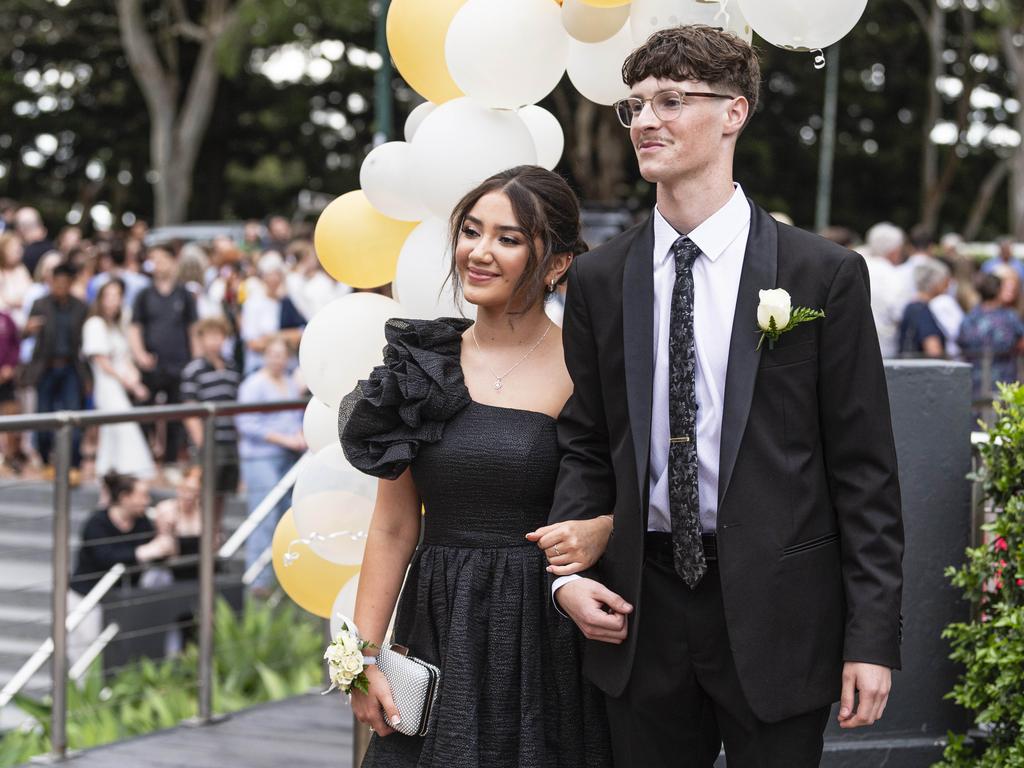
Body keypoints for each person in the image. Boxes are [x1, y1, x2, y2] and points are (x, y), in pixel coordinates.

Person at [549, 26, 904, 767]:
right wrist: (569, 582)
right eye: (637, 105)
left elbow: (863, 470)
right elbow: (585, 442)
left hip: (782, 618)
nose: (646, 120)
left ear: (733, 113)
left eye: (671, 101)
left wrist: (871, 638)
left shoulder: (823, 274)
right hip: (637, 613)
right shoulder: (598, 279)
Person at [342, 166, 610, 768]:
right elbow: (393, 526)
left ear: (557, 263)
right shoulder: (423, 365)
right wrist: (361, 656)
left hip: (548, 630)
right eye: (470, 231)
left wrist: (606, 527)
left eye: (508, 238)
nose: (479, 252)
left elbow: (631, 492)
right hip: (438, 623)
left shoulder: (588, 369)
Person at [68, 471, 176, 662]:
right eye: (142, 495)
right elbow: (107, 558)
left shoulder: (142, 523)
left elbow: (160, 554)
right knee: (87, 656)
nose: (147, 500)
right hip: (88, 598)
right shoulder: (97, 523)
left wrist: (165, 530)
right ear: (124, 497)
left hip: (120, 599)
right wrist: (143, 552)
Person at [235, 335, 305, 593]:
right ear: (265, 356)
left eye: (282, 354)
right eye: (273, 354)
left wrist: (298, 435)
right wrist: (284, 439)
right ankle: (259, 582)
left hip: (288, 457)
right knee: (263, 517)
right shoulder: (253, 385)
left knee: (288, 516)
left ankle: (284, 578)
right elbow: (246, 423)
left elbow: (295, 417)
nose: (278, 359)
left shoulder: (288, 382)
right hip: (261, 457)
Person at [129, 246, 198, 466]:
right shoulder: (144, 295)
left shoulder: (184, 294)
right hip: (152, 363)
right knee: (144, 408)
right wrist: (140, 354)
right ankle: (145, 453)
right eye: (154, 261)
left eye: (162, 260)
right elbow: (135, 326)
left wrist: (195, 359)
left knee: (176, 413)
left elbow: (193, 329)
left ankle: (170, 457)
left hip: (179, 362)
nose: (158, 265)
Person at [82, 278, 156, 479]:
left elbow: (124, 358)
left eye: (118, 296)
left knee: (114, 431)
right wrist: (128, 383)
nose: (114, 301)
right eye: (109, 296)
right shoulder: (95, 324)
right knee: (121, 427)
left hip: (119, 384)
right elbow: (103, 362)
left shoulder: (116, 326)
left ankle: (110, 471)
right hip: (107, 386)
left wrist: (134, 378)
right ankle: (124, 472)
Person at [24, 263, 91, 470]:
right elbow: (24, 334)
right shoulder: (40, 304)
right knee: (43, 417)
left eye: (64, 283)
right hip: (46, 368)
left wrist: (87, 377)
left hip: (70, 367)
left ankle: (73, 463)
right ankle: (46, 459)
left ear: (70, 284)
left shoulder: (81, 307)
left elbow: (84, 343)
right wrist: (28, 329)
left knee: (73, 417)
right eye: (56, 283)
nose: (59, 287)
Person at [180, 317, 242, 532]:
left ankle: (214, 539)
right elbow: (189, 410)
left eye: (219, 336)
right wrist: (202, 443)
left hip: (229, 440)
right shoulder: (194, 369)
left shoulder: (232, 367)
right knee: (203, 494)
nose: (214, 341)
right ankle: (203, 541)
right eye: (210, 336)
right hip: (208, 442)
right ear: (202, 338)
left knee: (222, 495)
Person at [958, 272, 1024, 402]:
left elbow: (960, 343)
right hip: (1004, 382)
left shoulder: (969, 318)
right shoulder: (1009, 317)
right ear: (999, 290)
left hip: (975, 383)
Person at [861, 222, 905, 358]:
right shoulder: (893, 275)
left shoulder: (856, 265)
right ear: (894, 251)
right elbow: (899, 313)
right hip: (884, 349)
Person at [898, 258, 950, 358]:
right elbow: (933, 349)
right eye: (945, 281)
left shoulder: (911, 306)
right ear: (936, 283)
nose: (947, 285)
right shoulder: (921, 310)